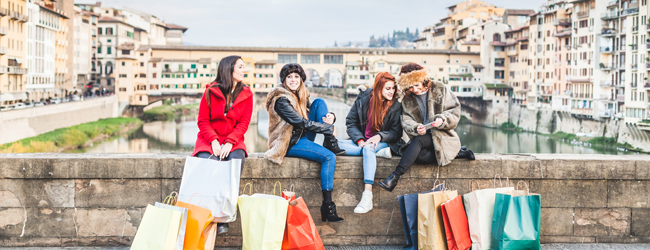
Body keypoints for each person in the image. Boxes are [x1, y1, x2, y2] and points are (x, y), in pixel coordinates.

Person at [265, 63, 345, 222]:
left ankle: (330, 141)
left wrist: (330, 118)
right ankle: (327, 206)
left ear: (301, 79)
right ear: (284, 80)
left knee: (320, 103)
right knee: (329, 157)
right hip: (288, 142)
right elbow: (301, 123)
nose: (293, 80)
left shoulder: (300, 95)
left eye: (297, 76)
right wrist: (327, 128)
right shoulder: (281, 100)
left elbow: (312, 114)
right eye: (289, 77)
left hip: (302, 137)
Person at [379, 63, 474, 192]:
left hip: (441, 135)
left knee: (418, 141)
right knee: (419, 157)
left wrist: (442, 119)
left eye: (417, 85)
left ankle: (395, 177)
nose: (415, 89)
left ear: (423, 80)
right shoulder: (407, 98)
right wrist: (416, 127)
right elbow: (406, 119)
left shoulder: (439, 88)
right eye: (410, 87)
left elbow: (454, 109)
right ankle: (457, 154)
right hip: (423, 136)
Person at [192, 55, 253, 234]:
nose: (244, 70)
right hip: (208, 138)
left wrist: (229, 142)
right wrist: (213, 141)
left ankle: (223, 217)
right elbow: (203, 120)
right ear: (229, 69)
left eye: (244, 67)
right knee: (207, 163)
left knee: (233, 165)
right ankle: (208, 213)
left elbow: (243, 124)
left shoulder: (247, 94)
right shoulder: (211, 91)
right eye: (240, 67)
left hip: (233, 140)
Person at [338, 72, 403, 213]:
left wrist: (379, 137)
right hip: (362, 141)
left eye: (393, 88)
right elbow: (351, 122)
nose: (391, 92)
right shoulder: (363, 98)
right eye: (388, 89)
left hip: (385, 141)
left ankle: (367, 197)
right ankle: (379, 153)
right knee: (333, 145)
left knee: (369, 149)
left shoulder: (396, 105)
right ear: (378, 88)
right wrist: (360, 140)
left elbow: (396, 133)